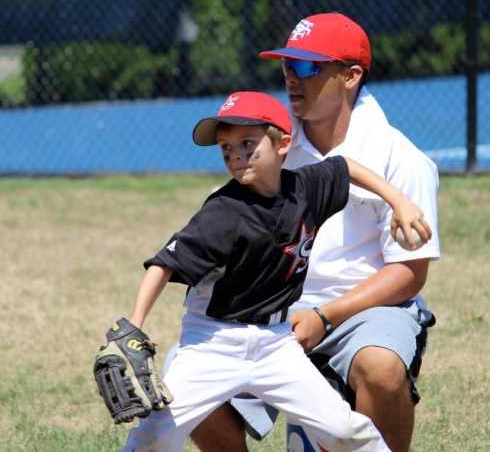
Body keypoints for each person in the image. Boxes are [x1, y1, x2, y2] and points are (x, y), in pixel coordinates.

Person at [120, 90, 432, 452]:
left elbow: (345, 165)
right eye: (225, 149)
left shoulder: (305, 187)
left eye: (247, 143)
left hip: (276, 344)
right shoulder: (222, 211)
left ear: (284, 143)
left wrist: (399, 200)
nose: (235, 155)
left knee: (346, 432)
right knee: (153, 437)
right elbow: (164, 263)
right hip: (213, 344)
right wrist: (135, 324)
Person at [189, 13, 441, 452]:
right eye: (287, 66)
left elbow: (409, 274)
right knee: (187, 378)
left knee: (380, 367)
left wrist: (325, 317)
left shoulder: (401, 158)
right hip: (275, 308)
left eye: (308, 67)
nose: (292, 78)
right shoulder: (272, 146)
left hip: (366, 309)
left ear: (351, 75)